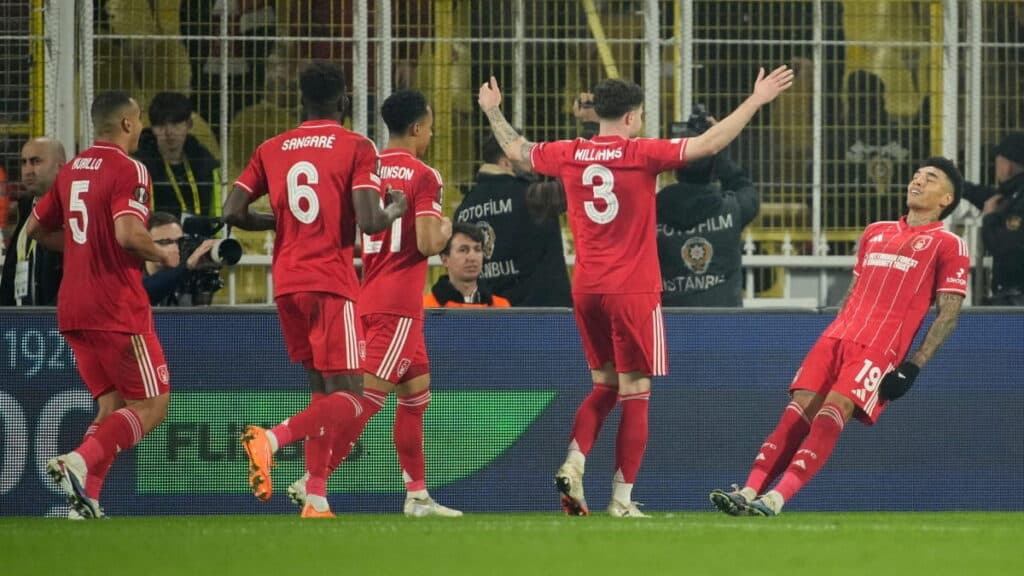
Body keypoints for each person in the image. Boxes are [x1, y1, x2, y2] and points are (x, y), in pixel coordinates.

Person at [478, 67, 794, 517]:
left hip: (586, 288)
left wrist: (493, 110)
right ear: (630, 118)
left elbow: (516, 150)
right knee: (636, 389)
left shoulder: (569, 153)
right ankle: (622, 500)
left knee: (604, 385)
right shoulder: (641, 154)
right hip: (632, 290)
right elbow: (709, 145)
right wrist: (756, 99)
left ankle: (576, 459)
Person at [709, 157, 968, 517]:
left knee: (833, 413)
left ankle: (776, 499)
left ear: (947, 199)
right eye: (916, 175)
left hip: (880, 347)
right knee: (795, 414)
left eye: (930, 178)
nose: (917, 181)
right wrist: (834, 329)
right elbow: (855, 287)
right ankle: (749, 490)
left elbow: (950, 311)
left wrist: (913, 366)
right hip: (837, 336)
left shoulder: (948, 243)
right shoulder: (875, 231)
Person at [223, 61, 406, 518]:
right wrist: (397, 207)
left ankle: (317, 495)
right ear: (344, 101)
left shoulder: (272, 147)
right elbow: (369, 221)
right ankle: (270, 438)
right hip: (330, 281)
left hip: (286, 284)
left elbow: (232, 210)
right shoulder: (356, 146)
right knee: (351, 396)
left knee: (323, 396)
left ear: (300, 101)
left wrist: (277, 222)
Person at [289, 89, 461, 518]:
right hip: (399, 302)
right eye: (431, 125)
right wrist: (447, 229)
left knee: (415, 395)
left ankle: (418, 495)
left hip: (367, 292)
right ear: (418, 127)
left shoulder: (365, 168)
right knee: (364, 400)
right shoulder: (425, 175)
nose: (432, 132)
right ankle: (314, 481)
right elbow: (425, 241)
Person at [25, 91, 176, 518]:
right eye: (140, 120)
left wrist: (82, 249)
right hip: (116, 306)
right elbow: (129, 234)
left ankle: (84, 500)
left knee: (112, 406)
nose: (142, 127)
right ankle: (79, 459)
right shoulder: (130, 169)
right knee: (153, 405)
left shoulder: (72, 170)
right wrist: (162, 254)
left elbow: (34, 228)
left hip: (73, 307)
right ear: (127, 124)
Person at [455, 134, 571, 307]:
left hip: (490, 321)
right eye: (523, 153)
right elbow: (581, 181)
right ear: (506, 162)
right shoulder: (534, 196)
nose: (531, 160)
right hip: (545, 319)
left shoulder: (463, 210)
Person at [657, 139, 759, 307]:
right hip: (724, 322)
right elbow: (746, 188)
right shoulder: (733, 209)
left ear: (675, 170)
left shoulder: (653, 213)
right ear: (714, 171)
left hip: (671, 320)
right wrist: (717, 147)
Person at [1, 137, 67, 306]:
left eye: (36, 162)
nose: (28, 170)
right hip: (22, 323)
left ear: (60, 167)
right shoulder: (26, 210)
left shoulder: (71, 214)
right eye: (24, 162)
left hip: (54, 324)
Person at [134, 92, 221, 218]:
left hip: (201, 234)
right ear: (152, 128)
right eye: (161, 125)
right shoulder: (140, 166)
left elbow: (216, 215)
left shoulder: (206, 163)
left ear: (189, 125)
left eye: (175, 124)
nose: (169, 132)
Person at [973, 133, 1024, 305]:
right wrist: (959, 187)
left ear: (1008, 165)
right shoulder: (1015, 192)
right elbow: (990, 197)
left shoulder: (1020, 200)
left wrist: (989, 218)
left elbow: (1002, 245)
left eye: (998, 162)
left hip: (1016, 298)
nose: (996, 168)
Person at [425, 222, 512, 308]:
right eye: (463, 250)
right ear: (445, 260)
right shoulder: (425, 308)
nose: (472, 257)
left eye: (477, 249)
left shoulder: (501, 307)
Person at [142, 211, 217, 306]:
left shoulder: (189, 278)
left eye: (180, 241)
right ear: (145, 245)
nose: (175, 248)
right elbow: (145, 293)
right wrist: (186, 266)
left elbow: (202, 318)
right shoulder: (132, 276)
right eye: (165, 242)